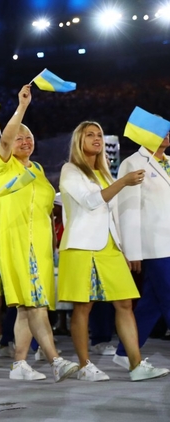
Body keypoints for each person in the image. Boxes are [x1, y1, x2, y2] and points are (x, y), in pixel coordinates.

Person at [58, 121, 169, 381]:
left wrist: (125, 247)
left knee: (125, 303)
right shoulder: (70, 169)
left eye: (99, 134)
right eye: (90, 135)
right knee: (83, 307)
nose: (96, 138)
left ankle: (136, 365)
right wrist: (123, 182)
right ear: (79, 141)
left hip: (110, 246)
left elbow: (114, 213)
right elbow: (90, 201)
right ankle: (85, 366)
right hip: (82, 246)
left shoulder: (104, 172)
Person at [0, 85, 79, 382]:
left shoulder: (38, 169)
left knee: (25, 306)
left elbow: (47, 208)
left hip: (41, 246)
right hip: (17, 241)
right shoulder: (4, 166)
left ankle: (19, 364)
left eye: (28, 137)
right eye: (19, 137)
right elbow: (6, 139)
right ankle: (55, 360)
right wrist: (22, 107)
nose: (24, 141)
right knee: (36, 302)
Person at [113, 131, 170, 369]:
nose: (167, 134)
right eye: (159, 131)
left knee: (153, 303)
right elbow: (127, 209)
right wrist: (132, 250)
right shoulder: (133, 163)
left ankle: (124, 352)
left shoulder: (168, 162)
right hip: (153, 245)